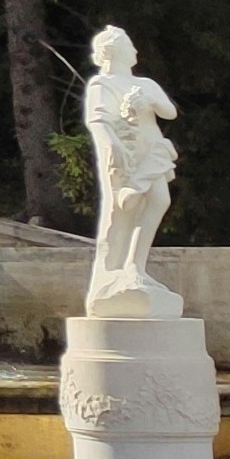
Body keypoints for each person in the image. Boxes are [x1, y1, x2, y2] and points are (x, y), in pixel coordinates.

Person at [82, 25, 182, 312]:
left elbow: (170, 112)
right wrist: (112, 146)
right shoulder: (102, 84)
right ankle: (121, 270)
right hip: (127, 152)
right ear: (115, 52)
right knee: (126, 208)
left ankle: (135, 266)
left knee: (160, 200)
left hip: (152, 149)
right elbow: (97, 120)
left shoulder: (146, 84)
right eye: (129, 45)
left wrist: (150, 100)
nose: (135, 50)